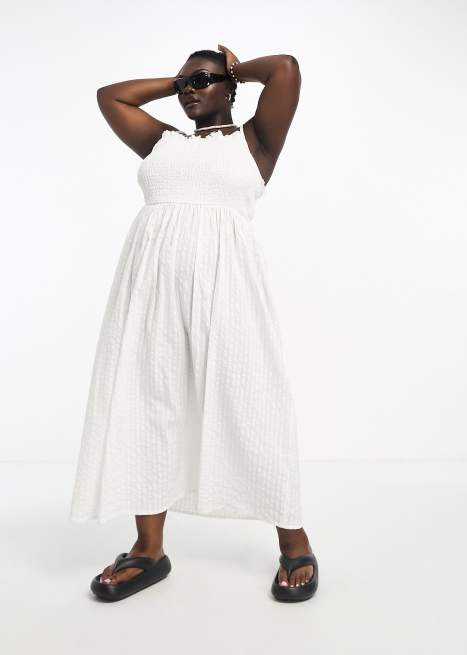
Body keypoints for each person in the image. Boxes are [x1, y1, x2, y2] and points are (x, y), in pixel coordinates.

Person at [69, 45, 318, 602]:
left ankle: (294, 540)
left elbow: (285, 69)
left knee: (252, 402)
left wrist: (233, 67)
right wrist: (179, 80)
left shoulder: (255, 142)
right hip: (150, 288)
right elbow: (110, 97)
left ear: (231, 86)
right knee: (147, 402)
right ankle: (148, 550)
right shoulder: (162, 142)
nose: (189, 90)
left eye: (203, 80)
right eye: (185, 84)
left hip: (227, 287)